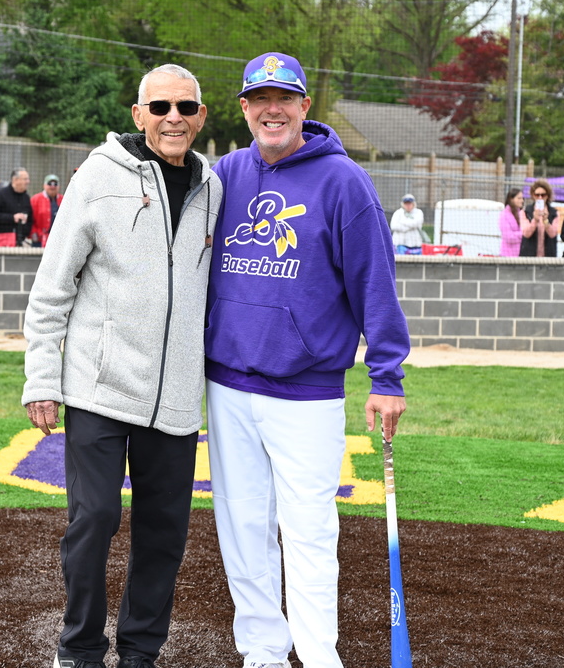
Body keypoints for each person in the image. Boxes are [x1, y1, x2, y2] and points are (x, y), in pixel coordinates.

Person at [203, 52, 410, 668]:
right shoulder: (225, 175)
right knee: (243, 533)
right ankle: (263, 653)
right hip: (228, 383)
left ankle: (320, 657)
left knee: (309, 535)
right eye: (259, 99)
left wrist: (387, 375)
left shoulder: (344, 181)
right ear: (244, 108)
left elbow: (376, 282)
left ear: (303, 106)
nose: (272, 110)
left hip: (307, 391)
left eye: (284, 98)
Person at [22, 63, 221, 668]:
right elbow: (52, 289)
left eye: (185, 108)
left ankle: (139, 653)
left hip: (177, 399)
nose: (173, 119)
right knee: (96, 518)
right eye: (160, 107)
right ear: (139, 115)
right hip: (99, 389)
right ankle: (78, 649)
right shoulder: (97, 179)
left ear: (201, 117)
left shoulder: (214, 190)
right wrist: (41, 379)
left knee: (164, 536)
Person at [0, 168, 33, 246]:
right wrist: (12, 218)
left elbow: (30, 218)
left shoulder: (26, 197)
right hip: (1, 240)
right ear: (15, 180)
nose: (28, 182)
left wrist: (25, 233)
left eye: (28, 179)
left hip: (19, 241)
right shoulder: (1, 194)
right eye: (25, 179)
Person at [520, 179, 559, 257]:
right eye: (537, 195)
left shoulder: (554, 213)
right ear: (533, 195)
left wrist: (545, 221)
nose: (540, 197)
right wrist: (535, 220)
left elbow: (553, 234)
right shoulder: (526, 212)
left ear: (547, 196)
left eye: (543, 195)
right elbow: (526, 234)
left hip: (548, 256)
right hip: (529, 255)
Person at [30, 173, 64, 247]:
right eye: (50, 184)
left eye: (55, 184)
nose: (52, 186)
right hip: (40, 239)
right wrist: (34, 233)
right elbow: (30, 220)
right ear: (44, 185)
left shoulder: (64, 200)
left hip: (59, 239)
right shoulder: (35, 199)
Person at [498, 187, 525, 257]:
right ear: (511, 199)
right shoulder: (504, 215)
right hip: (507, 256)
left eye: (522, 198)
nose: (522, 200)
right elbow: (508, 237)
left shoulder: (522, 214)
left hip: (521, 254)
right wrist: (523, 235)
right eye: (519, 198)